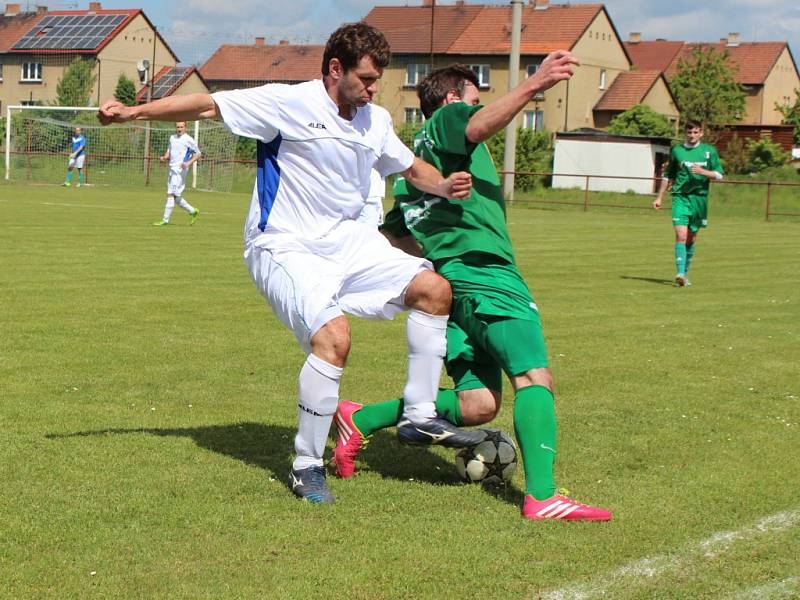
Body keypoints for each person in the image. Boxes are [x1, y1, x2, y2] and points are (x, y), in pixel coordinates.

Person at [98, 22, 484, 505]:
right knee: (334, 339)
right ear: (335, 68)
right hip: (284, 244)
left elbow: (408, 167)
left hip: (350, 241)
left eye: (377, 80)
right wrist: (135, 111)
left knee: (435, 290)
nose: (372, 88)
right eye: (365, 78)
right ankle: (307, 464)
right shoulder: (289, 102)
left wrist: (444, 185)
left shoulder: (375, 120)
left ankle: (420, 415)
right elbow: (207, 104)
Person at [333, 53, 612, 521]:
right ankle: (543, 497)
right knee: (533, 376)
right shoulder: (447, 119)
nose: (478, 108)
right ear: (450, 100)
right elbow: (478, 127)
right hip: (486, 274)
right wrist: (535, 83)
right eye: (474, 100)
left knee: (478, 404)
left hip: (455, 290)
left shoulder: (413, 174)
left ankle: (359, 419)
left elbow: (395, 236)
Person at [653, 120, 723, 286]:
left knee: (691, 237)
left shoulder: (709, 151)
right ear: (685, 133)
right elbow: (667, 175)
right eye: (689, 132)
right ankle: (680, 273)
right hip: (680, 197)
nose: (692, 136)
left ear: (701, 133)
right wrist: (659, 197)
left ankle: (685, 273)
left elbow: (720, 175)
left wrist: (703, 172)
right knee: (681, 235)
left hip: (699, 199)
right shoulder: (677, 151)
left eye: (695, 132)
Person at [153, 121, 202, 226]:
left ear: (185, 127)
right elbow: (169, 152)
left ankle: (165, 220)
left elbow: (198, 154)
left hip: (180, 170)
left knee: (170, 194)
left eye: (181, 127)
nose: (179, 129)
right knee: (176, 196)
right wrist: (164, 157)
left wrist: (188, 163)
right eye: (178, 127)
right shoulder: (172, 138)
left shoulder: (189, 139)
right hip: (172, 168)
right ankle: (193, 211)